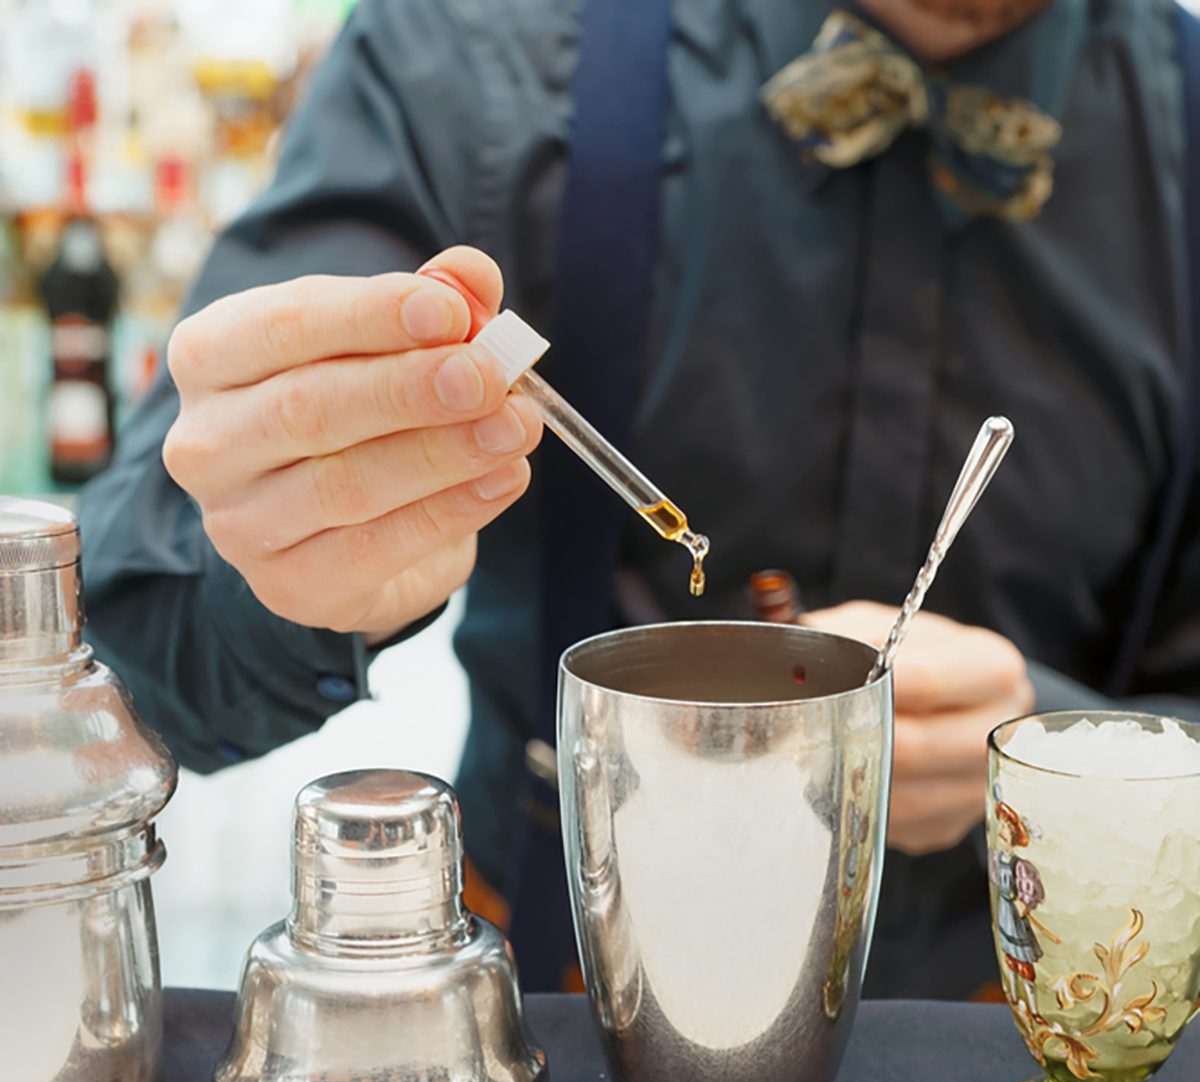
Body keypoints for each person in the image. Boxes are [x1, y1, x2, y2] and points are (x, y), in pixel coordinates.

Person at [79, 0, 1200, 999]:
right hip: (564, 1014)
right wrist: (295, 558)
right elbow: (131, 668)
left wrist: (1065, 757)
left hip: (1030, 1034)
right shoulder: (476, 54)